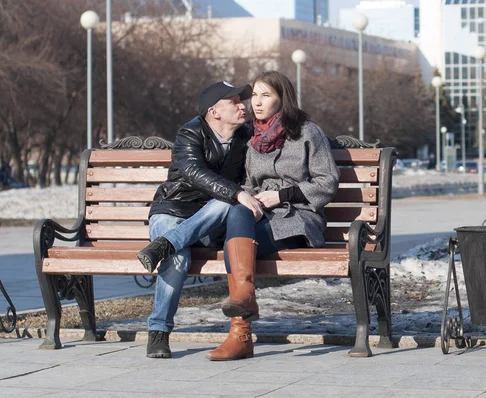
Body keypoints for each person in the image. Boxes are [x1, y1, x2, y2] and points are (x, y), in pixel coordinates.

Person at [206, 71, 340, 361]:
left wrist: (282, 195)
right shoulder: (253, 137)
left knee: (236, 242)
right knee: (238, 214)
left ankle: (240, 333)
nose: (257, 102)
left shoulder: (307, 132)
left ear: (282, 99)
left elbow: (327, 182)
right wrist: (249, 197)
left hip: (300, 217)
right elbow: (250, 184)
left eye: (265, 95)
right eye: (254, 95)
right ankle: (245, 300)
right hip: (263, 214)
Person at [136, 81, 264, 359]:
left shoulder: (245, 136)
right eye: (234, 102)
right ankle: (159, 331)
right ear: (214, 112)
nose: (243, 105)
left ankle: (163, 245)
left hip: (211, 217)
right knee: (179, 258)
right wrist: (237, 193)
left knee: (225, 202)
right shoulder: (191, 133)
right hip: (172, 210)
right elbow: (194, 172)